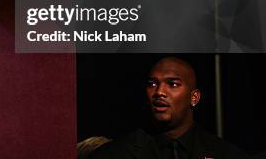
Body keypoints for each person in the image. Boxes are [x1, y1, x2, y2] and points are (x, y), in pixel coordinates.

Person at [91, 56, 250, 159]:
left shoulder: (225, 154)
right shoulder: (116, 154)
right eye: (152, 84)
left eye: (173, 84)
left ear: (194, 98)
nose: (159, 92)